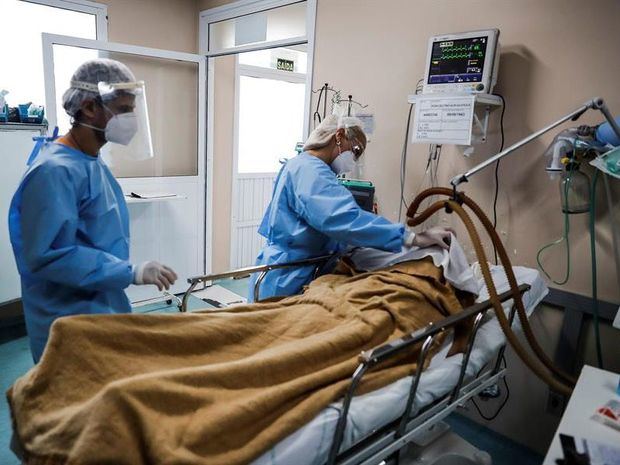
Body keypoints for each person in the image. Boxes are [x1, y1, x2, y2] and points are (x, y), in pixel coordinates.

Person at [8, 58, 177, 362]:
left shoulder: (91, 161)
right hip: (68, 323)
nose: (132, 119)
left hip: (100, 307)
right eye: (124, 110)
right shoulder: (55, 171)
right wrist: (131, 272)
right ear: (88, 107)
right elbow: (48, 256)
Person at [248, 113, 453, 301]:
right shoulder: (311, 171)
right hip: (292, 276)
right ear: (338, 136)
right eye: (355, 151)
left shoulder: (298, 164)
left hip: (287, 268)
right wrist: (412, 238)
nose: (353, 161)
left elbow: (320, 224)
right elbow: (342, 219)